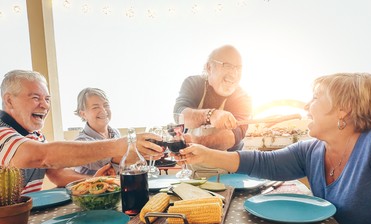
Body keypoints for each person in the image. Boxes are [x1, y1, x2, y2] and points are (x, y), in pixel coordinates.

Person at [177, 73, 371, 224]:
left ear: (344, 109)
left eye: (316, 98)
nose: (307, 106)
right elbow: (263, 162)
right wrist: (203, 154)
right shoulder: (312, 150)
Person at [0, 70, 163, 194]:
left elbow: (59, 175)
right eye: (35, 98)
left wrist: (97, 181)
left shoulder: (36, 136)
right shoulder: (2, 131)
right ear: (9, 101)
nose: (45, 105)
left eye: (47, 99)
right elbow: (43, 156)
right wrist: (121, 145)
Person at [173, 45, 252, 152]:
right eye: (227, 66)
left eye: (238, 68)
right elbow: (180, 116)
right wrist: (211, 115)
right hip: (190, 162)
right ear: (209, 67)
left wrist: (196, 142)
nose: (234, 74)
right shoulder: (193, 84)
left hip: (228, 166)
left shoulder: (243, 98)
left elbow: (234, 136)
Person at [73, 87, 121, 175]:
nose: (103, 110)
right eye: (95, 107)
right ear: (83, 114)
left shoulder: (116, 133)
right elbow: (105, 164)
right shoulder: (81, 142)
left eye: (106, 105)